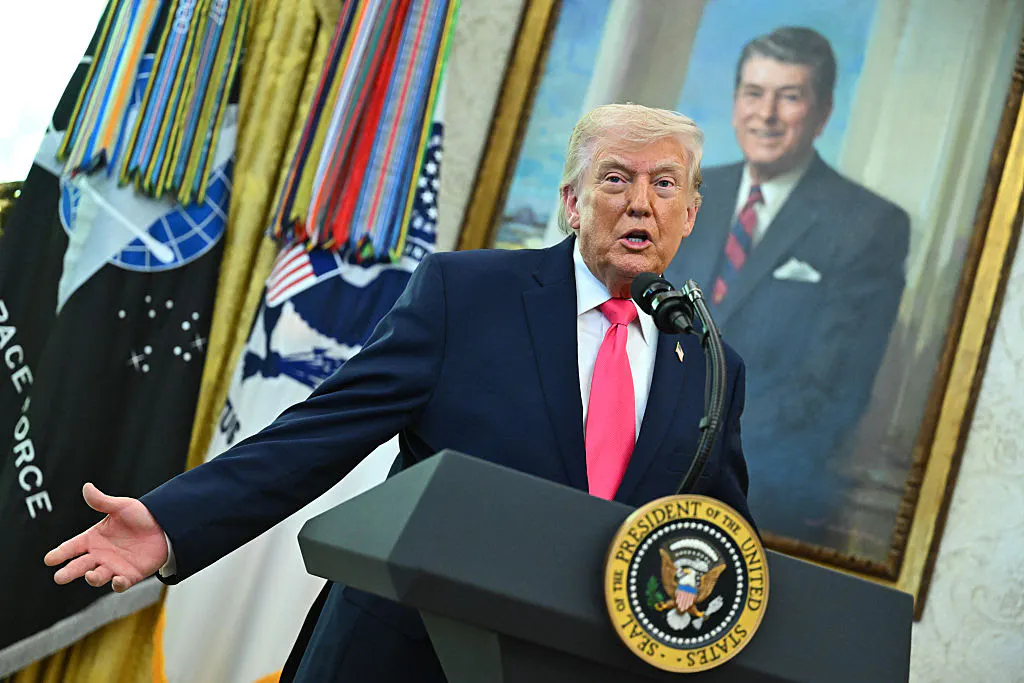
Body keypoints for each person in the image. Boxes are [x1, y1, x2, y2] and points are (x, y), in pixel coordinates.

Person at [45, 104, 754, 682]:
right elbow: (322, 430)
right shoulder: (467, 294)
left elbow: (716, 541)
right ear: (572, 202)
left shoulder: (712, 365)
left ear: (691, 213)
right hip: (401, 652)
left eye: (664, 185)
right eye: (615, 179)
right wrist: (172, 521)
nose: (640, 203)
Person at [665, 27, 910, 544]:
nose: (766, 114)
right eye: (754, 93)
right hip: (640, 459)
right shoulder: (685, 191)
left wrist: (702, 453)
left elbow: (832, 391)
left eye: (790, 97)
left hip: (757, 495)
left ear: (821, 113)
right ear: (735, 104)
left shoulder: (869, 225)